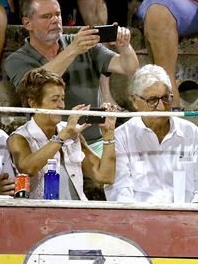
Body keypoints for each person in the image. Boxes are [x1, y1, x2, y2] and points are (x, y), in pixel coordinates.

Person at [4, 0, 138, 143]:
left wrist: (125, 47)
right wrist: (73, 50)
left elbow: (129, 68)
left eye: (58, 14)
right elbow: (37, 84)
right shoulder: (16, 60)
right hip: (48, 144)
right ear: (27, 23)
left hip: (93, 141)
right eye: (46, 16)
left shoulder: (84, 44)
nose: (55, 20)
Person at [105, 65, 198, 204]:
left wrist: (187, 215)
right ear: (135, 101)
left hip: (186, 219)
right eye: (152, 100)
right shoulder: (121, 137)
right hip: (140, 220)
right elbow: (119, 192)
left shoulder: (192, 134)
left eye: (166, 98)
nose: (161, 107)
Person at [8, 68, 117, 200]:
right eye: (55, 100)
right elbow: (28, 168)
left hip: (77, 211)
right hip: (42, 215)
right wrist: (62, 136)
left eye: (62, 99)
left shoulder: (71, 132)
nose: (61, 105)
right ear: (33, 103)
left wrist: (108, 133)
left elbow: (105, 176)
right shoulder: (19, 138)